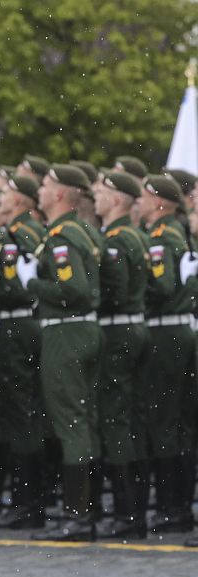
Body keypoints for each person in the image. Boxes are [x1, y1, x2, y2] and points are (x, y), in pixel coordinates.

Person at [17, 164, 103, 541]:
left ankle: (78, 517)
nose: (42, 188)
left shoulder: (63, 236)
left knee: (71, 422)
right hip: (78, 330)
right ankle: (84, 512)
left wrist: (32, 282)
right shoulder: (74, 230)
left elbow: (77, 291)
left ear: (61, 194)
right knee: (81, 420)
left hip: (67, 332)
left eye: (48, 183)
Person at [0, 175, 49, 529]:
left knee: (21, 414)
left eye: (9, 191)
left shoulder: (19, 234)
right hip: (21, 324)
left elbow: (14, 287)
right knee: (23, 414)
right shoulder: (25, 230)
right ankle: (29, 500)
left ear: (23, 200)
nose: (2, 196)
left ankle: (28, 503)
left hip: (17, 325)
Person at [92, 170, 150, 539]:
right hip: (132, 326)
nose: (95, 197)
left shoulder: (116, 240)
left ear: (116, 201)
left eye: (102, 192)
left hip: (118, 329)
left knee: (116, 419)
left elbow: (113, 290)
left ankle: (129, 514)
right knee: (127, 419)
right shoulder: (132, 236)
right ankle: (133, 510)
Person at [138, 174, 196, 534]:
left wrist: (132, 281)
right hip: (176, 330)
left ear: (160, 203)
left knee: (166, 421)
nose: (139, 203)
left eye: (144, 196)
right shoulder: (173, 235)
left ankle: (173, 506)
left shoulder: (161, 240)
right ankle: (175, 505)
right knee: (175, 422)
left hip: (166, 332)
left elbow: (162, 287)